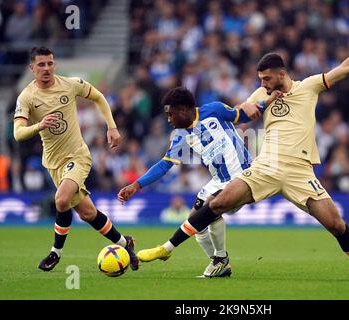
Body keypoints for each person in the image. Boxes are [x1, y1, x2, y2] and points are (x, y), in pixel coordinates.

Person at [137, 24, 349, 282]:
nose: (262, 83)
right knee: (218, 202)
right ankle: (166, 249)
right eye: (260, 79)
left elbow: (346, 67)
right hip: (266, 166)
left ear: (281, 74)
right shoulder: (262, 93)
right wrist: (259, 104)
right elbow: (242, 111)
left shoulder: (308, 87)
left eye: (266, 79)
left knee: (335, 224)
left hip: (299, 171)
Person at [118, 86, 278, 277]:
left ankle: (173, 249)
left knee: (209, 211)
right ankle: (220, 262)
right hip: (217, 181)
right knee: (196, 222)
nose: (168, 120)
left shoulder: (214, 110)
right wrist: (136, 185)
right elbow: (164, 165)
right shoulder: (181, 136)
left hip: (241, 177)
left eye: (171, 114)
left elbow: (243, 116)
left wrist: (266, 101)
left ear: (183, 110)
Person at [13, 47, 139, 272]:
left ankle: (55, 253)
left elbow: (99, 97)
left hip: (78, 156)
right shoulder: (27, 97)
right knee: (88, 213)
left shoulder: (70, 84)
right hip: (53, 163)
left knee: (61, 200)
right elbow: (18, 133)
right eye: (41, 65)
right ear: (31, 68)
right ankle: (125, 243)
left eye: (50, 63)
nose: (47, 68)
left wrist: (111, 127)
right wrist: (39, 126)